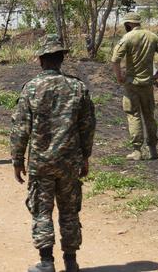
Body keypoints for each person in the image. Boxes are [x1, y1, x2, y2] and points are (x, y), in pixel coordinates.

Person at [10, 34, 96, 272]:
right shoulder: (78, 87)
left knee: (42, 211)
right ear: (61, 59)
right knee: (69, 212)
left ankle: (47, 262)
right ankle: (71, 262)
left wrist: (17, 160)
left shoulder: (32, 88)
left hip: (41, 163)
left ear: (41, 60)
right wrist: (85, 157)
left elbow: (20, 128)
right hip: (69, 163)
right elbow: (87, 126)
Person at [111, 12, 158, 160]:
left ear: (128, 24)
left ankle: (137, 151)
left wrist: (119, 77)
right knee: (149, 116)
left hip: (132, 84)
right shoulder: (152, 36)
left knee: (133, 115)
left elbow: (115, 60)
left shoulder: (127, 38)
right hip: (148, 84)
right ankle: (153, 150)